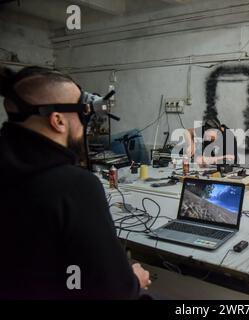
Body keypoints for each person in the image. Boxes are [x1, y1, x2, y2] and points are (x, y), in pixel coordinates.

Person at [0, 66, 150, 299]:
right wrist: (133, 280)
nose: (85, 126)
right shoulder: (74, 185)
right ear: (58, 120)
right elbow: (113, 290)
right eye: (82, 116)